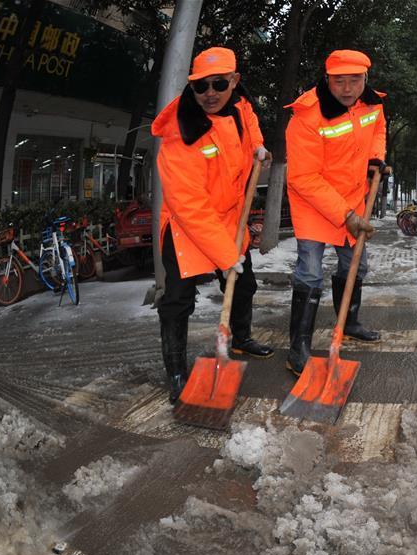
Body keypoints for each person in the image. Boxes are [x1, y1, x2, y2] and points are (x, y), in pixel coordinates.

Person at [152, 47, 274, 404]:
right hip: (187, 227)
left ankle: (241, 338)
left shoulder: (241, 107)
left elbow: (250, 125)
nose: (209, 93)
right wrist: (225, 254)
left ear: (234, 82)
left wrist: (259, 147)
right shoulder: (180, 131)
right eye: (200, 86)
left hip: (231, 219)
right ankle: (177, 372)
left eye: (219, 84)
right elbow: (189, 204)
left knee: (243, 284)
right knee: (177, 300)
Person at [283, 49, 388, 376]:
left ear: (365, 78)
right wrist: (346, 215)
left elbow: (378, 130)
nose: (347, 89)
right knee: (310, 271)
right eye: (338, 81)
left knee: (356, 265)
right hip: (313, 203)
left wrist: (375, 158)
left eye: (354, 80)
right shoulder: (307, 115)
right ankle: (298, 346)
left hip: (353, 199)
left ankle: (350, 321)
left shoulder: (372, 103)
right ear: (327, 79)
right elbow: (303, 178)